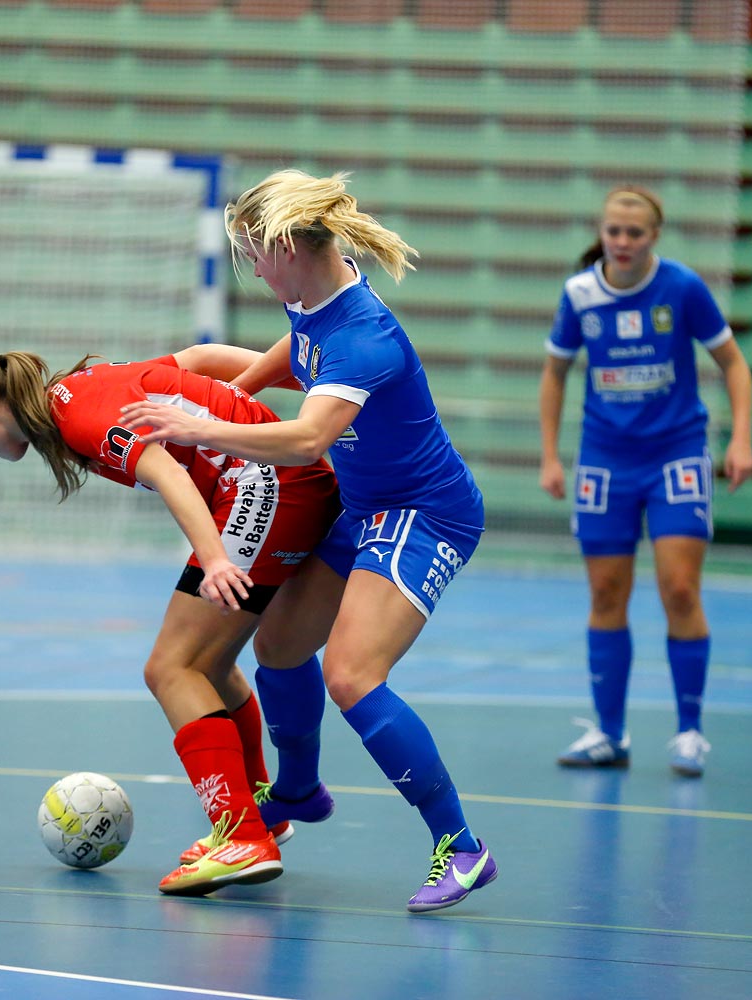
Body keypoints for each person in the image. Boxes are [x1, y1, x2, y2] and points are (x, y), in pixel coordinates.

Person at [119, 169, 498, 913]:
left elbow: (306, 439)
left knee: (352, 676)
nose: (253, 268)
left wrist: (199, 426)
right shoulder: (315, 294)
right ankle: (296, 791)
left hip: (425, 512)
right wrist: (232, 384)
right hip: (366, 505)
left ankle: (461, 846)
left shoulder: (366, 337)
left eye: (255, 253)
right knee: (280, 650)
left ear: (289, 245)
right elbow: (298, 349)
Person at [0, 345, 340, 897]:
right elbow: (193, 360)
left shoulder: (79, 418)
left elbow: (165, 470)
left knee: (171, 669)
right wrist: (266, 390)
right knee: (210, 665)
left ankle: (242, 834)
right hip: (278, 482)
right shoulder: (78, 389)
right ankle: (260, 811)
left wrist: (214, 557)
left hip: (266, 487)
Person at [537, 184, 752, 778]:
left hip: (675, 455)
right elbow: (555, 374)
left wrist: (739, 438)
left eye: (635, 233)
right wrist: (551, 456)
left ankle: (689, 732)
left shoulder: (681, 288)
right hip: (605, 461)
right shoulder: (580, 294)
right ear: (602, 233)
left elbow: (733, 362)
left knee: (679, 590)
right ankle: (609, 734)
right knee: (607, 594)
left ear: (654, 236)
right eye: (614, 231)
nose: (623, 242)